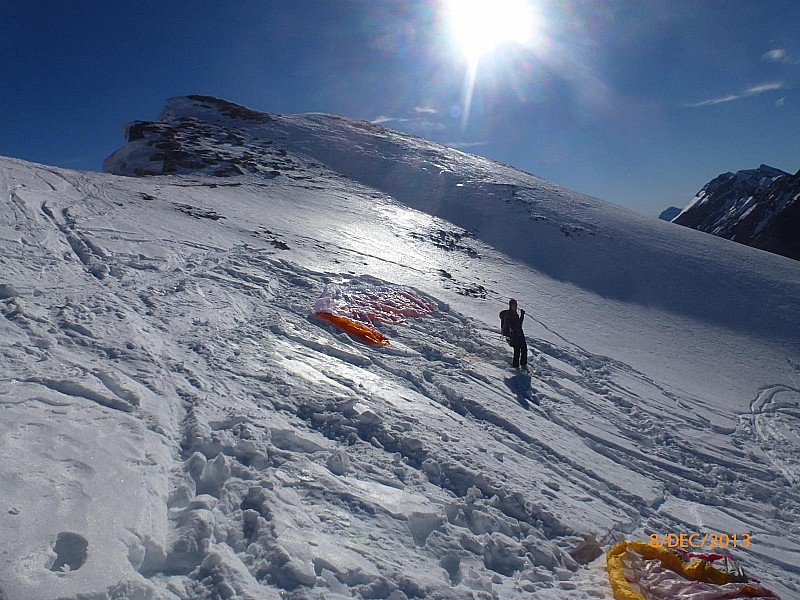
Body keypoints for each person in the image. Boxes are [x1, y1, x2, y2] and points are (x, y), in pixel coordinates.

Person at [499, 298, 527, 369]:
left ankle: (523, 364)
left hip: (520, 334)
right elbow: (507, 326)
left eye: (515, 305)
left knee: (524, 349)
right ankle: (516, 366)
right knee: (517, 351)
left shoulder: (515, 314)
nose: (514, 306)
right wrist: (509, 334)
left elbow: (519, 324)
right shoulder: (508, 315)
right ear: (510, 306)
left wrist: (522, 316)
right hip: (514, 335)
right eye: (513, 305)